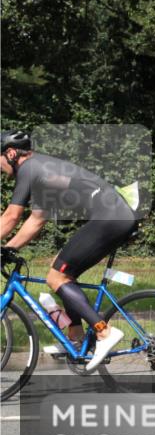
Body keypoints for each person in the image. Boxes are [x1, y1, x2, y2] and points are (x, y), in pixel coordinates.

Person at [1, 129, 137, 370]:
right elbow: (35, 221)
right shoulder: (42, 170)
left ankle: (104, 333)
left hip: (109, 217)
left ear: (10, 153)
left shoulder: (29, 169)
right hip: (112, 215)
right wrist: (8, 248)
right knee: (60, 269)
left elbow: (12, 216)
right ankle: (75, 338)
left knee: (57, 277)